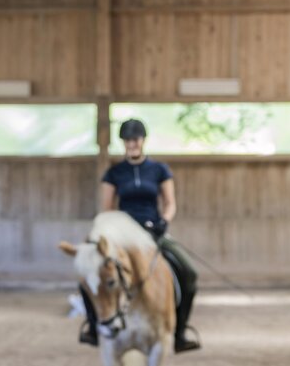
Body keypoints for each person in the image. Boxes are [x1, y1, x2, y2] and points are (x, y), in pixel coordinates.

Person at [79, 118, 201, 353]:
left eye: (135, 139)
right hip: (124, 235)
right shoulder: (114, 173)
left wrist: (164, 221)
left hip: (152, 231)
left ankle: (180, 331)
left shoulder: (159, 170)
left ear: (142, 141)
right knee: (90, 275)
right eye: (127, 140)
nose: (131, 144)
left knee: (189, 272)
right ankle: (93, 327)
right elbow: (107, 209)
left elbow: (170, 203)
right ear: (123, 143)